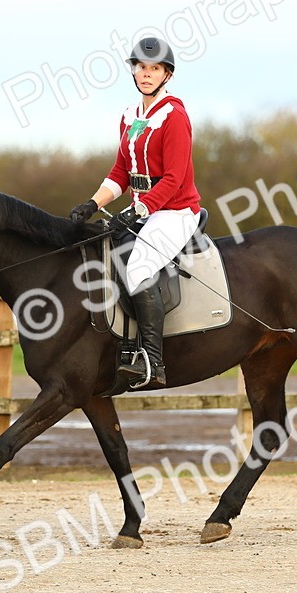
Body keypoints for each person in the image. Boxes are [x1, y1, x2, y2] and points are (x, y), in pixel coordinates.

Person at [69, 36, 201, 389]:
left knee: (140, 266)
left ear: (166, 75)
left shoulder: (174, 116)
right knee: (104, 252)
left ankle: (153, 362)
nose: (146, 74)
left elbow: (173, 178)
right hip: (142, 209)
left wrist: (139, 208)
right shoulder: (130, 116)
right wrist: (93, 203)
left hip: (175, 211)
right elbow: (121, 174)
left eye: (154, 69)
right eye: (141, 67)